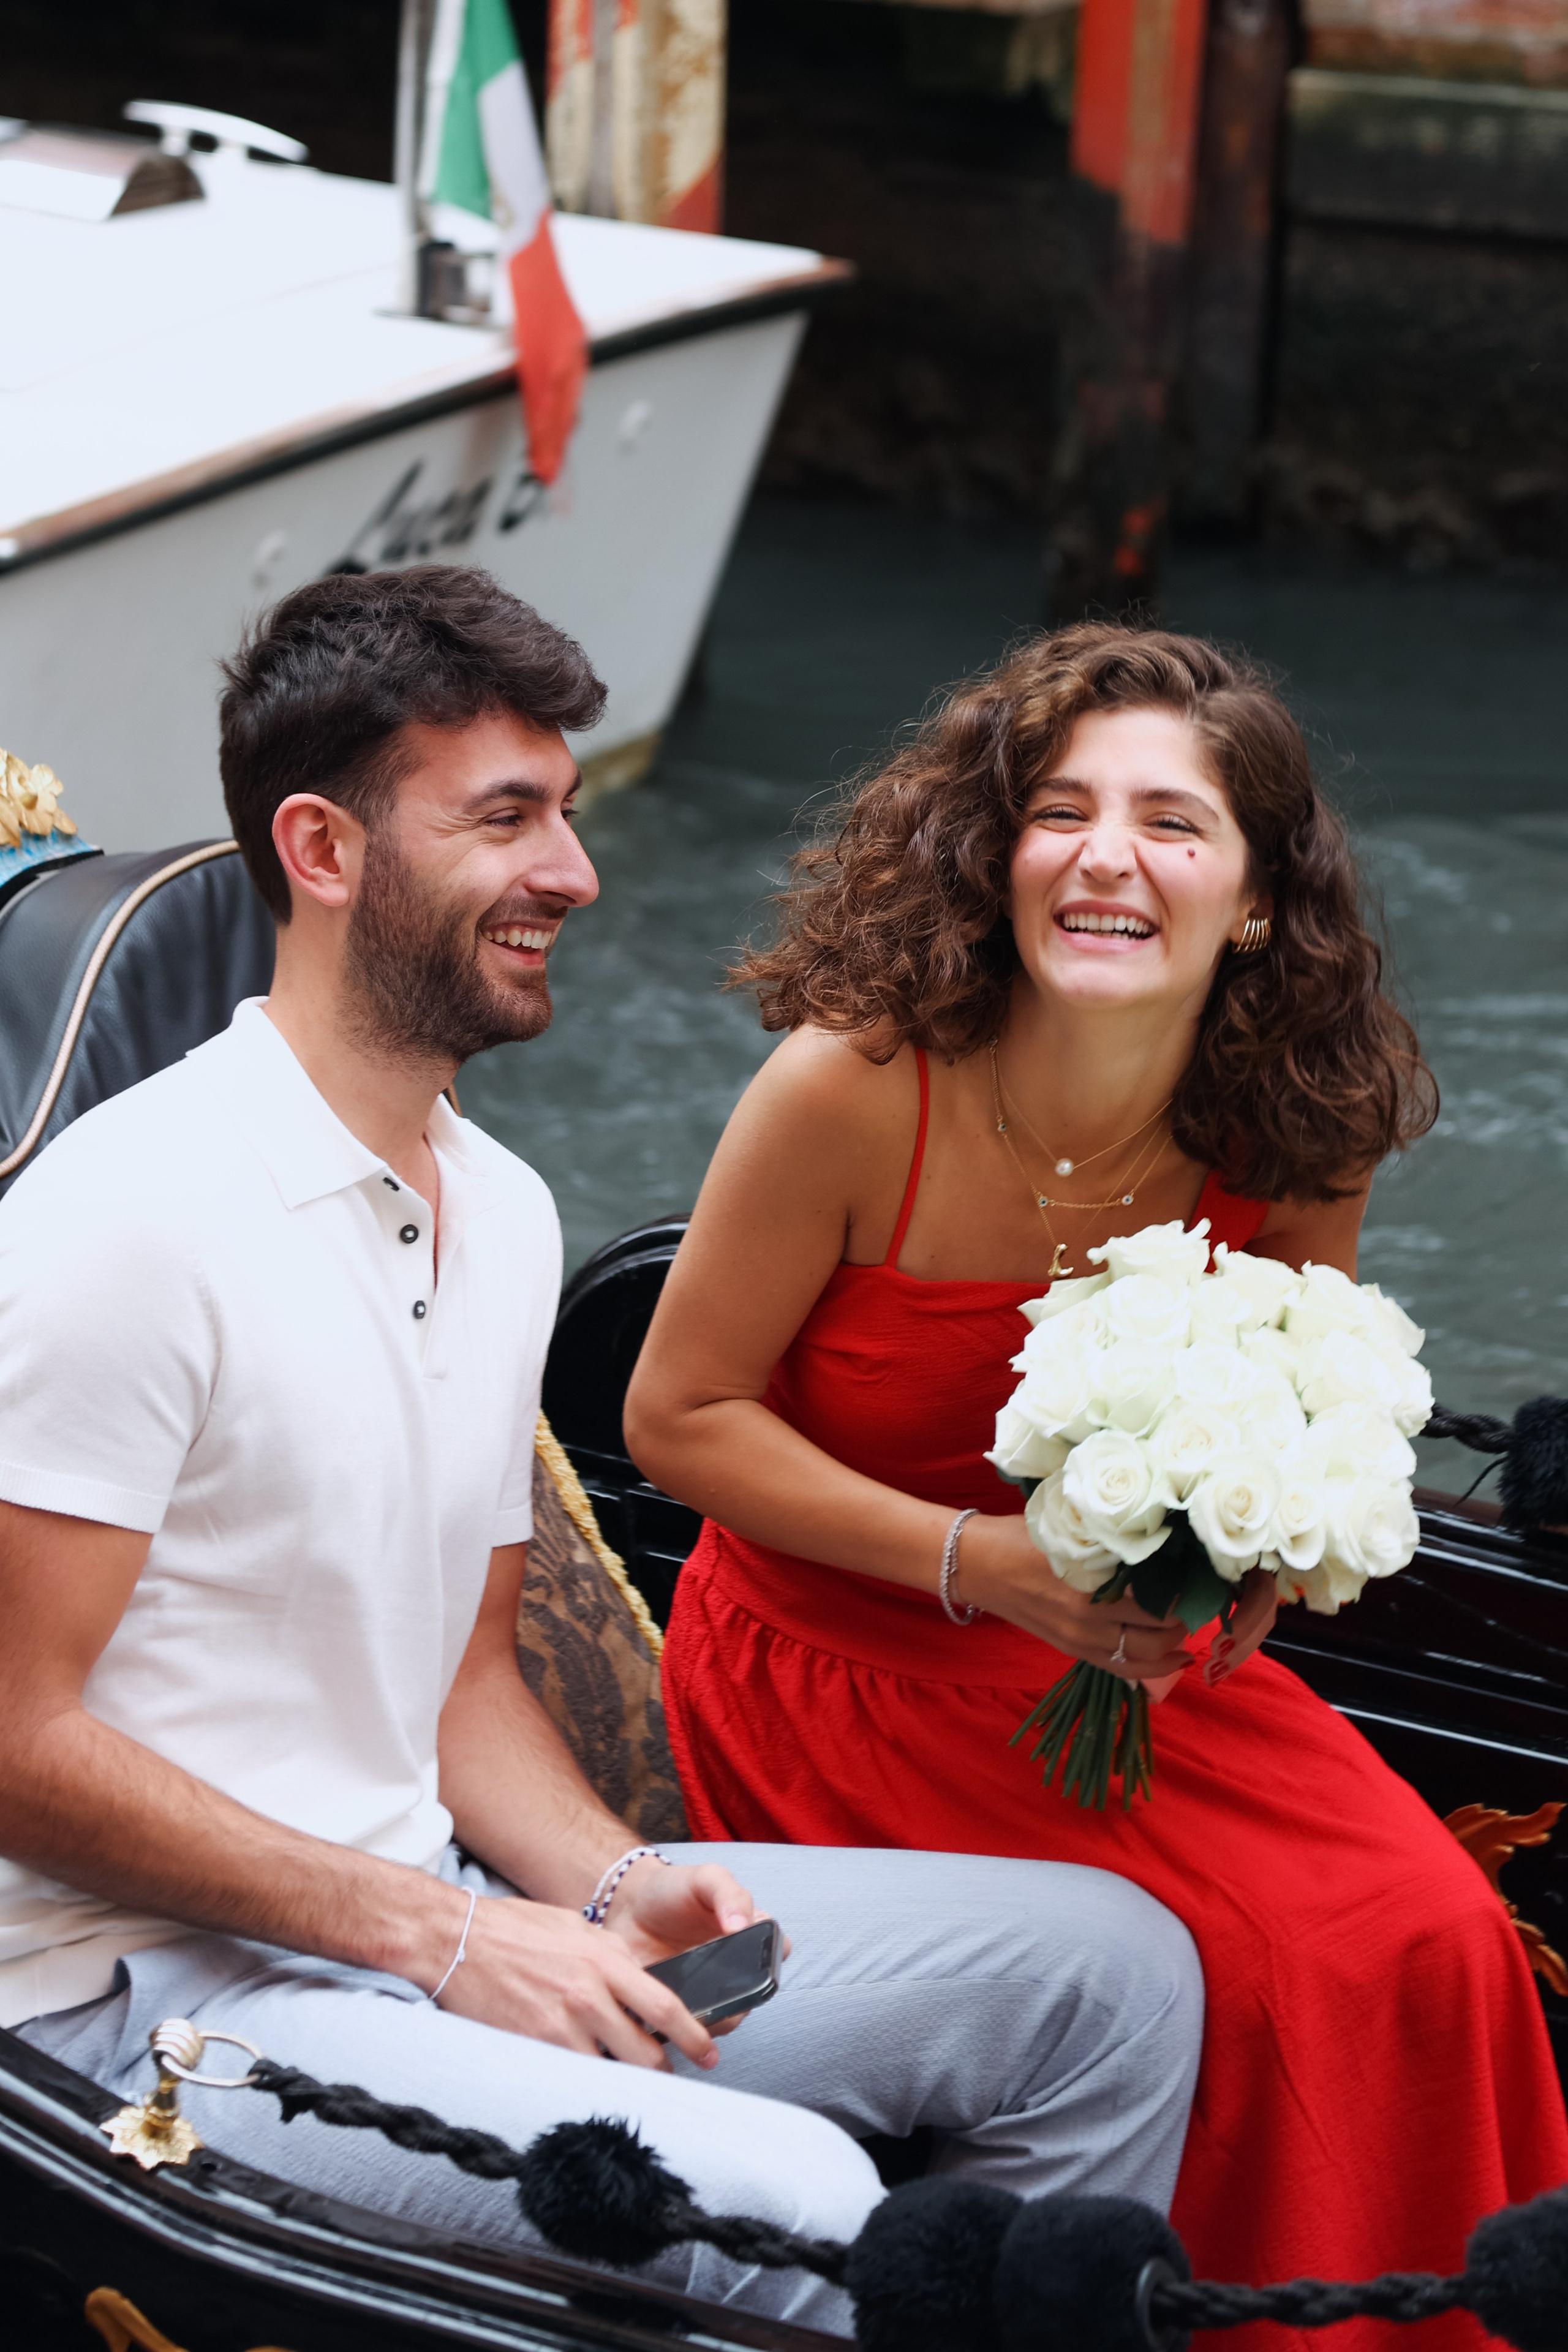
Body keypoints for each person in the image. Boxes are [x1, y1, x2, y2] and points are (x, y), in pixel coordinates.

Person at [0, 570, 1205, 2340]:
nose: (573, 871)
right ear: (323, 850)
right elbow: (13, 1739)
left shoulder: (499, 1208)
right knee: (801, 2201)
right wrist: (442, 1938)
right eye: (505, 819)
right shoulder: (126, 1223)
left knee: (1112, 1982)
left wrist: (609, 1882)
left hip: (426, 1915)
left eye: (564, 812)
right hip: (138, 2007)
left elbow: (461, 1683)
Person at [627, 623, 1568, 2351]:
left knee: (1434, 1929)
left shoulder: (1301, 1118)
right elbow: (678, 1417)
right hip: (836, 1658)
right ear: (996, 859)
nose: (1105, 857)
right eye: (1060, 813)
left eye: (1171, 823)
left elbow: (1295, 1401)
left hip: (1128, 1661)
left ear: (1258, 899)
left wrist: (1258, 1561)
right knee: (1245, 1965)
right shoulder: (853, 1087)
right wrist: (978, 1561)